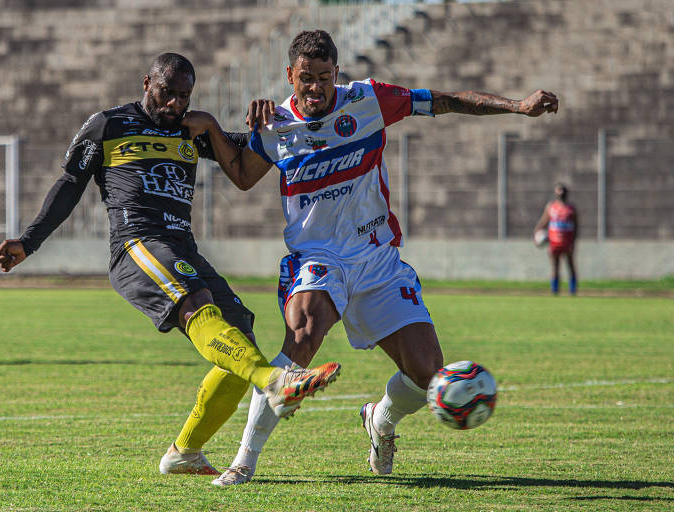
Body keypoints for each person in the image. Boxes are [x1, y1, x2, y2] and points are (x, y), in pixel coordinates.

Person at [206, 30, 559, 486]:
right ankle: (244, 462)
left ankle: (381, 422)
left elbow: (446, 100)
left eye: (324, 78)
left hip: (377, 259)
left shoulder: (370, 100)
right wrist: (215, 128)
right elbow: (240, 176)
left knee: (428, 374)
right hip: (319, 257)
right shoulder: (275, 127)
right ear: (289, 75)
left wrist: (516, 106)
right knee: (305, 331)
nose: (315, 89)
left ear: (338, 73)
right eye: (305, 79)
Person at [0, 53, 341, 477]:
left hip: (182, 247)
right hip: (137, 243)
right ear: (146, 83)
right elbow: (69, 185)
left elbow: (248, 150)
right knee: (198, 302)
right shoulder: (109, 124)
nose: (175, 104)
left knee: (239, 334)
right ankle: (274, 382)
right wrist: (28, 242)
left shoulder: (191, 130)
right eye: (166, 92)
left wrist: (270, 121)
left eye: (184, 96)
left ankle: (184, 453)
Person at [534, 183, 578, 295]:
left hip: (567, 241)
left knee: (570, 264)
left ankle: (572, 291)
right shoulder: (551, 207)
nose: (561, 195)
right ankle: (555, 291)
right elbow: (544, 221)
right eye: (558, 192)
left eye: (562, 192)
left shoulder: (571, 209)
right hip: (554, 241)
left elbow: (576, 226)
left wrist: (574, 241)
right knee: (555, 266)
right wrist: (536, 233)